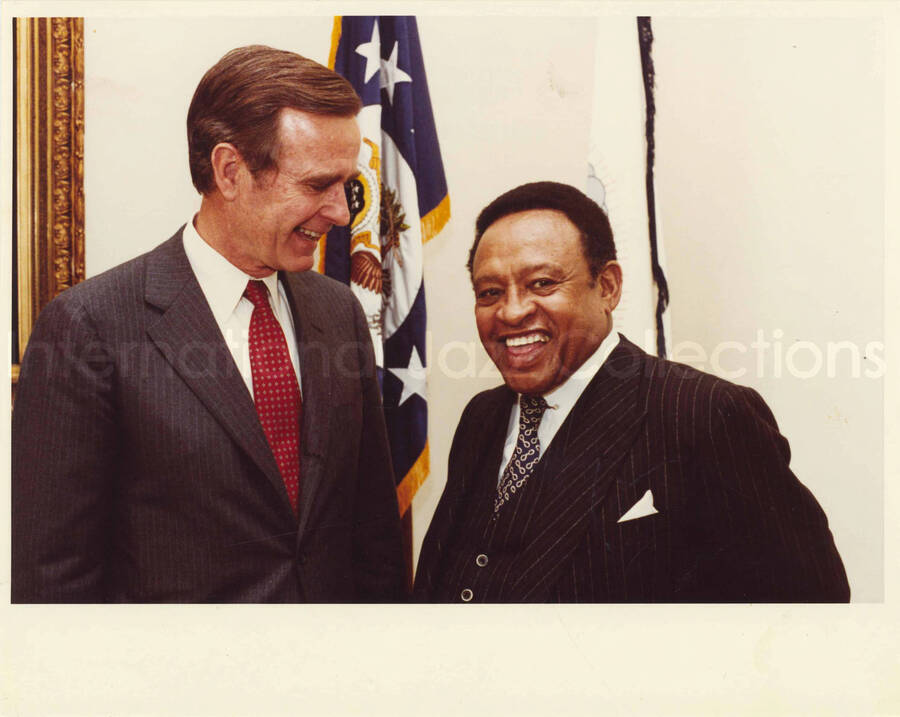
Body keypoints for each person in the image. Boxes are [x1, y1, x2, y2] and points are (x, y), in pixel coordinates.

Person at [12, 45, 405, 602]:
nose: (342, 212)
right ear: (229, 171)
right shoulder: (90, 327)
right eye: (318, 185)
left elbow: (373, 535)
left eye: (345, 184)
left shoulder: (337, 311)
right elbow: (52, 579)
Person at [414, 181, 850, 603]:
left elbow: (808, 606)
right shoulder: (482, 417)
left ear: (607, 287)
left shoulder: (703, 415)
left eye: (542, 284)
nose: (511, 311)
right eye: (489, 292)